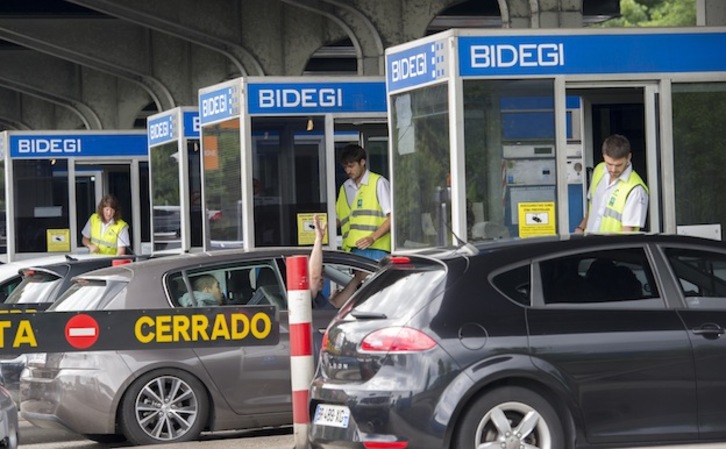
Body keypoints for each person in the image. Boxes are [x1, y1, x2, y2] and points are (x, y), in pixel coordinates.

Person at [575, 134, 649, 234]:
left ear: (629, 158)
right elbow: (593, 207)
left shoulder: (635, 189)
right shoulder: (599, 170)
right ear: (604, 156)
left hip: (611, 247)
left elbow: (627, 233)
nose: (613, 170)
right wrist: (581, 228)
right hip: (589, 243)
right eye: (609, 164)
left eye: (618, 165)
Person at [335, 144, 392, 261]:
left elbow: (392, 218)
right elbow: (339, 219)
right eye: (345, 167)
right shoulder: (345, 188)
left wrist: (372, 238)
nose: (348, 170)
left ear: (362, 162)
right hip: (354, 249)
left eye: (351, 166)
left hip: (377, 248)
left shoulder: (379, 183)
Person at [309, 214, 367, 309]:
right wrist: (319, 240)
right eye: (319, 273)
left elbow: (335, 304)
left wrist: (357, 279)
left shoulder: (318, 298)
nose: (321, 278)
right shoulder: (303, 295)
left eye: (323, 273)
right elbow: (314, 278)